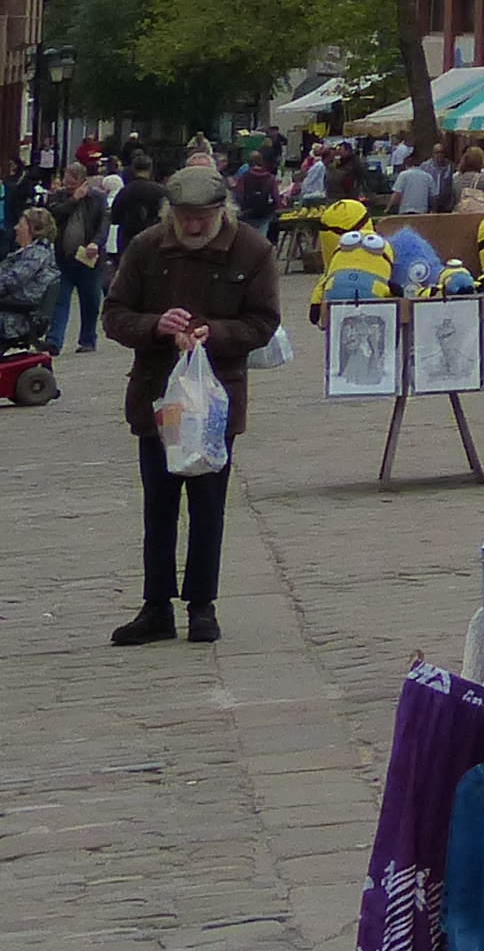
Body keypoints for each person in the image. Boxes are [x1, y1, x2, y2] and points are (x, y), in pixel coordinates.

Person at [102, 162, 282, 647]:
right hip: (157, 398)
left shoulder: (252, 250)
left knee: (207, 509)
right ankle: (156, 606)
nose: (195, 226)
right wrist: (155, 325)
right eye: (185, 217)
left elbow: (263, 323)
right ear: (170, 213)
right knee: (158, 509)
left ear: (223, 211)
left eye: (203, 217)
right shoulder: (146, 248)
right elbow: (114, 314)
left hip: (215, 403)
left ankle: (202, 605)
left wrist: (212, 332)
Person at [54, 164, 110, 351]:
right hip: (63, 258)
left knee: (90, 301)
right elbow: (54, 215)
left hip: (88, 260)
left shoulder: (98, 198)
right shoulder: (59, 197)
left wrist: (96, 243)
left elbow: (103, 224)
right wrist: (74, 199)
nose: (68, 186)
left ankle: (87, 339)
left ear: (83, 182)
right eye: (66, 182)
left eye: (73, 184)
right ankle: (54, 341)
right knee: (60, 300)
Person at [0, 207, 60, 351]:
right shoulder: (28, 253)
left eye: (20, 225)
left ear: (34, 229)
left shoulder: (36, 255)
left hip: (15, 319)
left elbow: (11, 281)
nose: (16, 228)